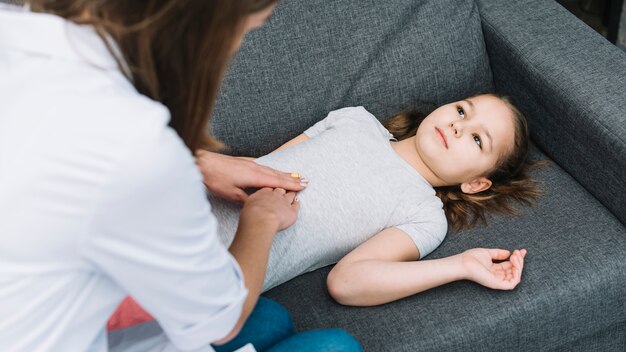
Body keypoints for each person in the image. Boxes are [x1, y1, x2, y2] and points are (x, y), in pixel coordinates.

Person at [0, 1, 361, 351]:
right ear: (203, 29)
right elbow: (222, 321)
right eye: (247, 30)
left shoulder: (16, 29)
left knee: (272, 318)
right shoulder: (134, 145)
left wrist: (194, 160)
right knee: (335, 345)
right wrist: (261, 217)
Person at [116, 93, 537, 324]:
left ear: (477, 183)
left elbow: (348, 283)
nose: (459, 124)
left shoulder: (424, 215)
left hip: (209, 270)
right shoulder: (355, 120)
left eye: (478, 140)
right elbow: (265, 165)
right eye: (463, 110)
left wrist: (460, 266)